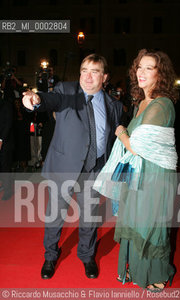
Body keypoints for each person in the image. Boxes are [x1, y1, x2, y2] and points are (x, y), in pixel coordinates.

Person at [22, 54, 123, 280]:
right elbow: (48, 100)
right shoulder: (66, 91)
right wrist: (35, 100)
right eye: (84, 70)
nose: (87, 76)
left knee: (89, 218)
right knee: (55, 216)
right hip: (64, 167)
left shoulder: (113, 105)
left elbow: (114, 138)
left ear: (104, 77)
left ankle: (87, 256)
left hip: (94, 170)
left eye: (94, 71)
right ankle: (50, 256)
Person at [93, 49, 178, 291]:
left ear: (160, 74)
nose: (142, 72)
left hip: (154, 176)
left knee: (150, 223)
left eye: (149, 68)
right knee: (136, 220)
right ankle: (136, 269)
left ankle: (157, 274)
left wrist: (120, 131)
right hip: (137, 174)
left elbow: (138, 146)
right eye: (139, 67)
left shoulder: (162, 105)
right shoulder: (142, 102)